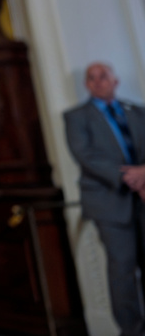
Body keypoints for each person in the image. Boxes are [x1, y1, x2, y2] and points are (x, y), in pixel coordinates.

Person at [64, 61, 145, 336]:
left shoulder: (137, 111)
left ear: (115, 80)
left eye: (103, 76)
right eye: (91, 78)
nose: (98, 82)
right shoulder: (76, 117)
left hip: (143, 198)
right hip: (109, 204)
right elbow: (85, 156)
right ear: (87, 84)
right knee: (122, 270)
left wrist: (144, 172)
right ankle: (132, 330)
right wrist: (130, 176)